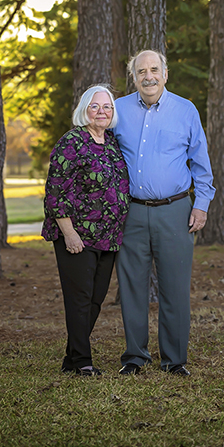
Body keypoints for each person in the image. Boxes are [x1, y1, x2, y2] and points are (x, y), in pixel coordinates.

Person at [113, 49, 214, 376]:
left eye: (154, 69)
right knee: (131, 288)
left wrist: (201, 205)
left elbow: (201, 164)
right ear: (135, 77)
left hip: (176, 211)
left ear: (165, 74)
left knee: (175, 288)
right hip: (132, 213)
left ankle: (174, 360)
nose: (148, 76)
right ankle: (135, 357)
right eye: (141, 71)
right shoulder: (119, 109)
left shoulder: (186, 110)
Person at [42, 84, 130, 376]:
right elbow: (55, 192)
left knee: (95, 299)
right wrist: (69, 233)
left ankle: (71, 359)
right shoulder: (72, 141)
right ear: (84, 110)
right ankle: (82, 362)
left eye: (107, 107)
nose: (101, 112)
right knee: (79, 300)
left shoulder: (113, 142)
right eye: (95, 106)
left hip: (108, 237)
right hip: (77, 235)